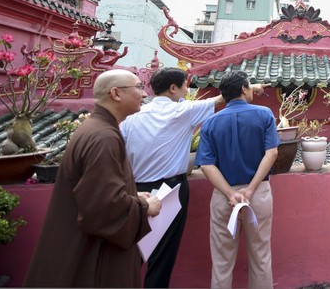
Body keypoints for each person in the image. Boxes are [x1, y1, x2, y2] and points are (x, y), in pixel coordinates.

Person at [120, 67, 267, 288]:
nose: (187, 90)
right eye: (184, 86)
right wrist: (248, 88)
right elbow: (222, 98)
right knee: (162, 256)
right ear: (173, 88)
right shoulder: (183, 111)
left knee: (133, 252)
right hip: (170, 189)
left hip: (136, 189)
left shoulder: (131, 119)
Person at [24, 69, 161, 287]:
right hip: (94, 253)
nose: (144, 94)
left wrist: (131, 196)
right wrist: (144, 207)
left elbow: (97, 191)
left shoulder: (96, 128)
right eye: (138, 87)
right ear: (116, 93)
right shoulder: (103, 137)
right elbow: (103, 208)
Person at [197, 70, 280, 289]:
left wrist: (230, 194)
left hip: (224, 197)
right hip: (258, 195)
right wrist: (250, 190)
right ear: (244, 89)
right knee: (261, 257)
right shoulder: (264, 114)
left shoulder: (210, 123)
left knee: (222, 262)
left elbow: (206, 165)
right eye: (249, 86)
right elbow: (271, 154)